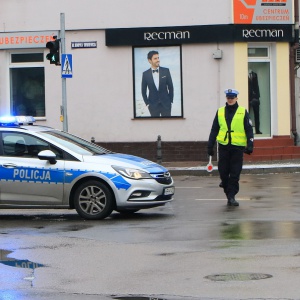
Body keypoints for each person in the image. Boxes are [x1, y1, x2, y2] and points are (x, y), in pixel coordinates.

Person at [207, 89, 254, 206]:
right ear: (226, 98)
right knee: (223, 172)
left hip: (237, 148)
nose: (230, 100)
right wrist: (210, 145)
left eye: (232, 98)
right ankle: (227, 188)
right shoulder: (220, 112)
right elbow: (214, 129)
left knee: (234, 173)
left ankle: (231, 196)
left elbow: (249, 129)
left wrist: (250, 144)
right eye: (228, 98)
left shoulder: (243, 112)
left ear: (236, 98)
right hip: (223, 146)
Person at [141, 50, 174, 117]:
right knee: (154, 125)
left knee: (167, 124)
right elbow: (143, 91)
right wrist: (147, 103)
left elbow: (170, 87)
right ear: (149, 60)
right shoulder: (145, 74)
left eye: (158, 58)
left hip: (166, 104)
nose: (158, 60)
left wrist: (170, 101)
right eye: (155, 58)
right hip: (153, 106)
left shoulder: (166, 71)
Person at [248, 70, 262, 134]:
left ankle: (257, 130)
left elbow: (257, 86)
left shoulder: (255, 75)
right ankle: (248, 130)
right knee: (247, 115)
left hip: (255, 98)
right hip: (248, 98)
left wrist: (257, 96)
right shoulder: (244, 75)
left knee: (257, 115)